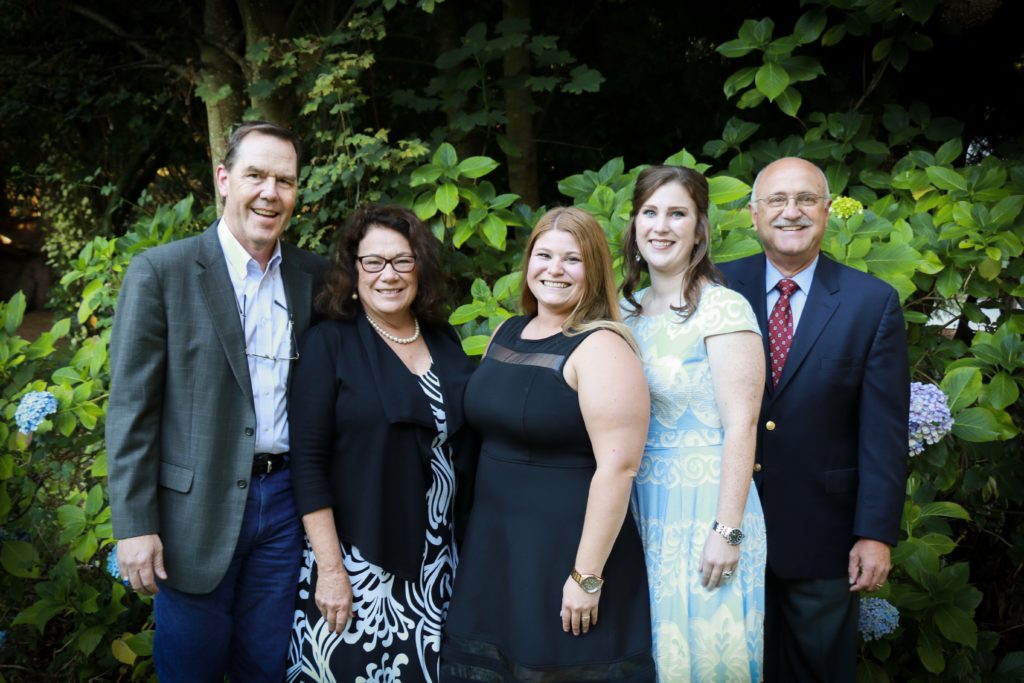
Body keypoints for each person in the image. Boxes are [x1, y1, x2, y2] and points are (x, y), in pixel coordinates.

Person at [107, 121, 327, 682]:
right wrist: (134, 524)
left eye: (285, 180)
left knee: (267, 666)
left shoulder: (313, 277)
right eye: (256, 175)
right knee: (191, 670)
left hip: (283, 505)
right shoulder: (162, 272)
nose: (269, 192)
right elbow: (132, 410)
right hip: (191, 510)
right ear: (224, 179)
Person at [441, 207, 656, 682]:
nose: (554, 270)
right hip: (495, 550)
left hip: (565, 553)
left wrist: (587, 577)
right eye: (544, 255)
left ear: (595, 270)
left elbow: (618, 470)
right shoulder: (507, 332)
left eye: (572, 259)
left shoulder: (602, 348)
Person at [718, 157, 909, 683]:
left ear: (827, 212)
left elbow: (883, 432)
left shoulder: (872, 303)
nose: (791, 212)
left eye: (806, 200)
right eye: (777, 200)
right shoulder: (713, 290)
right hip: (723, 526)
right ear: (754, 214)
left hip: (825, 537)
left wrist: (875, 533)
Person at [286, 204, 478, 682]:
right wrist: (331, 570)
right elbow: (308, 464)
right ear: (354, 271)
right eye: (373, 262)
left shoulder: (443, 337)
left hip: (441, 562)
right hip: (359, 564)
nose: (388, 275)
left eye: (402, 260)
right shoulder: (328, 344)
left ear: (420, 268)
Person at [620, 165, 767, 682]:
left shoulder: (723, 310)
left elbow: (742, 426)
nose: (661, 226)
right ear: (634, 225)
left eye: (677, 213)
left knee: (703, 659)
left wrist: (727, 530)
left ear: (700, 229)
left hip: (708, 506)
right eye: (650, 212)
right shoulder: (620, 312)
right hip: (639, 507)